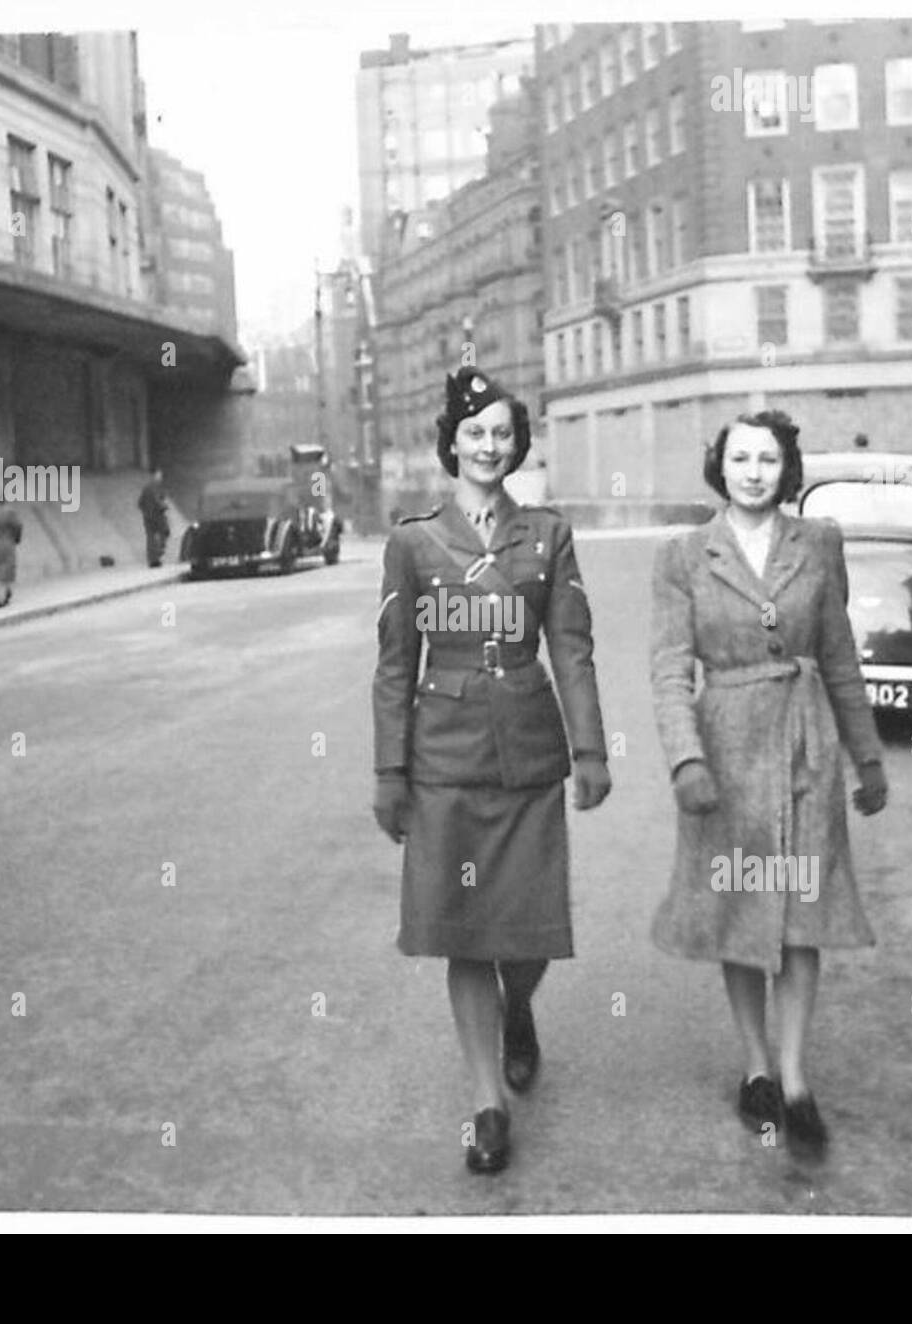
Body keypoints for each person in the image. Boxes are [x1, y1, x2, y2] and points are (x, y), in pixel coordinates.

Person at [372, 366, 612, 1175]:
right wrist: (388, 771)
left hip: (528, 757)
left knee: (530, 929)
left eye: (502, 434)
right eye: (474, 433)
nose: (488, 445)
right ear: (452, 444)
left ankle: (521, 1010)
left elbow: (571, 646)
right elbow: (393, 666)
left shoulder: (547, 536)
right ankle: (487, 1104)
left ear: (517, 446)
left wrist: (590, 749)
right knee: (462, 934)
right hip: (443, 760)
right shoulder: (412, 542)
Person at [649, 410, 888, 1159]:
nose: (755, 471)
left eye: (770, 459)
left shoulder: (819, 545)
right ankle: (754, 1064)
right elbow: (667, 669)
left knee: (800, 915)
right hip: (724, 752)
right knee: (739, 908)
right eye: (741, 458)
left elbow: (840, 656)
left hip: (805, 746)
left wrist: (868, 757)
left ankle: (794, 1080)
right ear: (720, 467)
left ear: (789, 469)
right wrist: (687, 760)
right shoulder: (685, 555)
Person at [138, 469, 170, 567]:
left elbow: (140, 503)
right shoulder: (156, 487)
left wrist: (145, 511)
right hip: (158, 516)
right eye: (159, 475)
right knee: (165, 532)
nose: (160, 478)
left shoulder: (146, 488)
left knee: (151, 538)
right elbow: (158, 501)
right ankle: (158, 554)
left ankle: (153, 559)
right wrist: (163, 506)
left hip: (147, 517)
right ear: (155, 476)